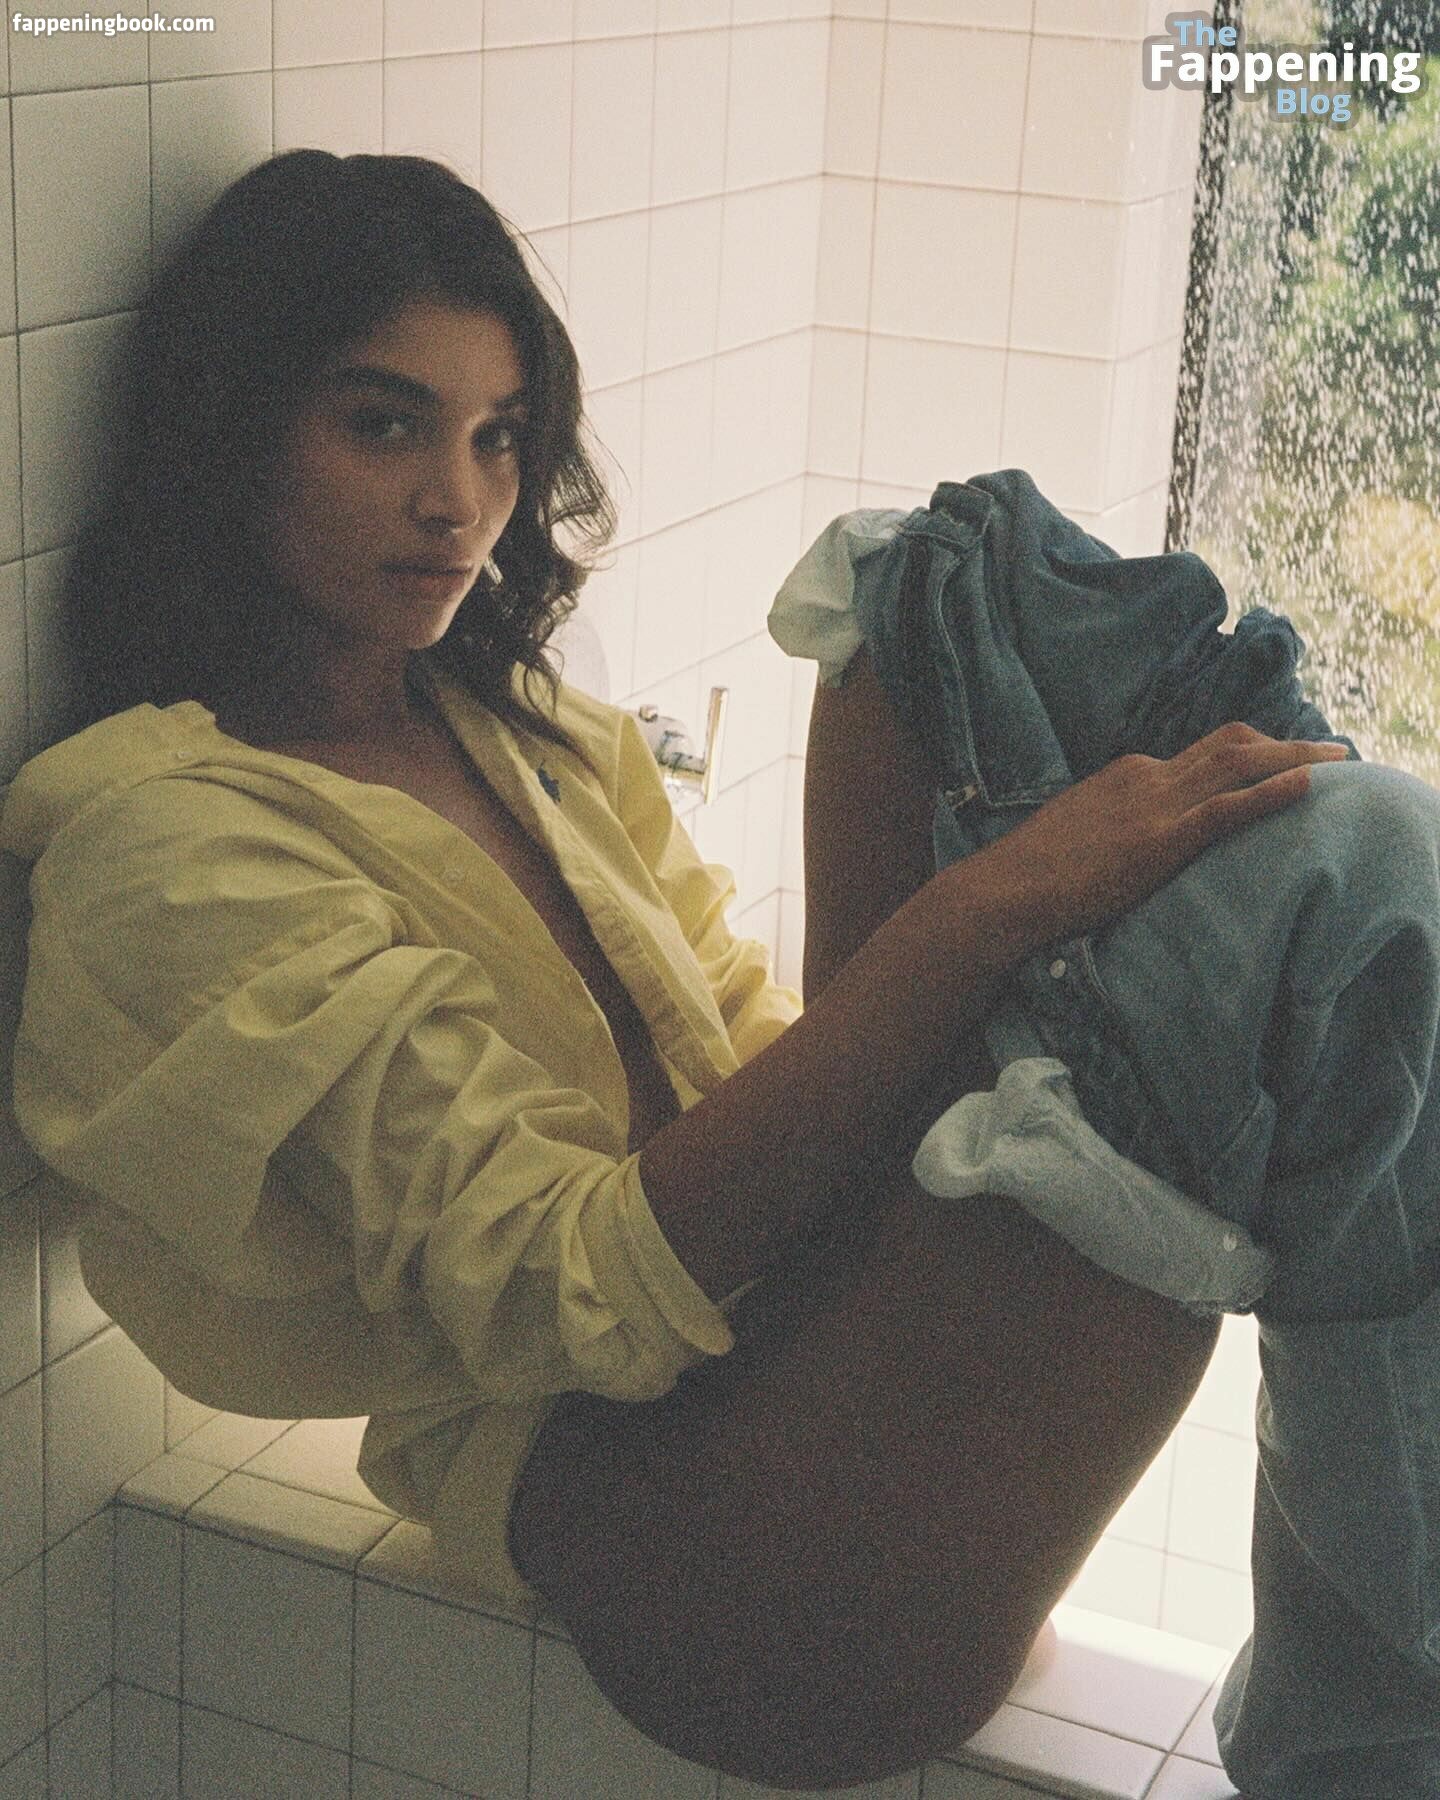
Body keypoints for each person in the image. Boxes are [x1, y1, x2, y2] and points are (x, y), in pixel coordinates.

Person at [0, 149, 1347, 1791]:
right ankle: (1376, 1732)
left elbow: (742, 1038)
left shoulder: (526, 730)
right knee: (1311, 937)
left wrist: (1005, 942)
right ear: (230, 432)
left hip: (803, 1357)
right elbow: (568, 1292)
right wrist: (989, 914)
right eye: (385, 424)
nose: (459, 503)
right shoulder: (165, 850)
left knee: (936, 584)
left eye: (500, 436)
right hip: (716, 1563)